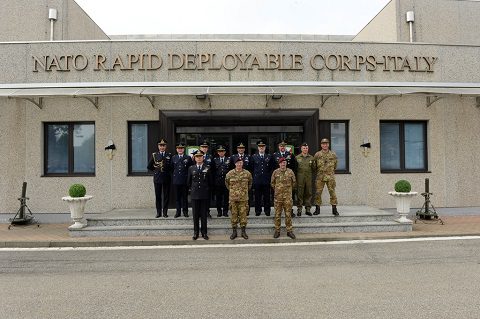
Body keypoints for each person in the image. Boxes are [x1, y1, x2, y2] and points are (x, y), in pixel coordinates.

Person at [187, 150, 212, 240]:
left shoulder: (207, 167)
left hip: (204, 194)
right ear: (195, 158)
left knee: (204, 215)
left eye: (200, 156)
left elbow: (210, 181)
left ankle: (204, 232)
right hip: (195, 194)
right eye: (197, 157)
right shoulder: (191, 168)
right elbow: (188, 182)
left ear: (203, 158)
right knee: (195, 215)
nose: (199, 158)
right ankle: (196, 232)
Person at [225, 157, 252, 240]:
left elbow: (250, 184)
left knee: (243, 215)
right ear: (235, 164)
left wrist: (243, 192)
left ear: (242, 163)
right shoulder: (230, 174)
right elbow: (227, 184)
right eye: (237, 163)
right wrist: (234, 192)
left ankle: (243, 231)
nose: (239, 164)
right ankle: (234, 232)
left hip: (243, 199)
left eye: (240, 163)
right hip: (233, 199)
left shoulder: (247, 173)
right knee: (234, 215)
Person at [271, 157, 297, 239]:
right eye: (281, 163)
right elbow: (272, 183)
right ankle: (277, 231)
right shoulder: (275, 172)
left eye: (284, 162)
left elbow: (294, 183)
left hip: (287, 198)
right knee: (277, 214)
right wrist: (278, 190)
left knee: (288, 214)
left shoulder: (290, 172)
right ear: (279, 164)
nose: (283, 164)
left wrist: (288, 191)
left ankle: (289, 231)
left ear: (286, 163)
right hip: (278, 198)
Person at [313, 138, 340, 216]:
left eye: (326, 143)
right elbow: (314, 166)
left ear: (328, 145)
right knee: (318, 193)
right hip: (320, 177)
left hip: (330, 176)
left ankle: (334, 209)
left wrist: (329, 172)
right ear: (321, 145)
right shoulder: (317, 154)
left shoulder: (333, 154)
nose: (325, 145)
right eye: (323, 144)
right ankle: (317, 209)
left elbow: (335, 166)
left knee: (332, 193)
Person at [147, 139, 172, 218]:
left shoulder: (169, 155)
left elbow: (172, 167)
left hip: (166, 178)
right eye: (160, 146)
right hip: (157, 178)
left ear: (166, 146)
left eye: (163, 145)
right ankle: (158, 212)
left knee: (166, 196)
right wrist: (156, 170)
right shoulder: (154, 155)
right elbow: (149, 166)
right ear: (158, 146)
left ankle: (165, 212)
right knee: (158, 196)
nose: (162, 147)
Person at [273, 140, 297, 218]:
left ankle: (290, 211)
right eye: (281, 146)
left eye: (283, 146)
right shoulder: (275, 155)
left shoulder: (290, 155)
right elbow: (272, 167)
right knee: (278, 198)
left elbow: (294, 166)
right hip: (278, 181)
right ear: (279, 147)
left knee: (290, 197)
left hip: (288, 181)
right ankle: (277, 212)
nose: (282, 147)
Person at [251, 140, 274, 216]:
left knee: (267, 197)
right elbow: (251, 169)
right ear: (258, 148)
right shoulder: (254, 157)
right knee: (257, 197)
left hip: (266, 180)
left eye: (263, 146)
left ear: (265, 147)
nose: (261, 148)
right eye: (260, 147)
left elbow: (271, 169)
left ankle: (267, 211)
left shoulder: (269, 156)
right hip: (257, 181)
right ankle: (258, 211)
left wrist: (270, 178)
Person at [172, 142, 193, 218]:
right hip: (176, 180)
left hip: (184, 180)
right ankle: (178, 212)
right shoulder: (174, 157)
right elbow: (172, 168)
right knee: (177, 198)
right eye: (178, 148)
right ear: (176, 149)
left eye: (181, 148)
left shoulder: (188, 158)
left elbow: (191, 168)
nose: (180, 150)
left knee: (185, 197)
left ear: (183, 149)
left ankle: (185, 211)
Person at [295, 142, 315, 216]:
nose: (305, 149)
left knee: (308, 193)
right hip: (300, 179)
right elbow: (295, 169)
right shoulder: (297, 158)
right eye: (304, 148)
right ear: (301, 149)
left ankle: (308, 209)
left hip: (308, 179)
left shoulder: (311, 158)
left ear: (308, 149)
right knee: (299, 194)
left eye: (306, 148)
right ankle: (299, 209)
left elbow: (313, 168)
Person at [212, 145, 230, 217]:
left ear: (225, 152)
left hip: (226, 182)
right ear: (218, 153)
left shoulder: (229, 159)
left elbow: (231, 169)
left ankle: (225, 212)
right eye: (220, 151)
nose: (221, 153)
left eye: (222, 151)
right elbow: (213, 171)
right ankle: (219, 211)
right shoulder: (215, 160)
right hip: (218, 182)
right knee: (218, 198)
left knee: (226, 198)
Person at [199, 140, 213, 218]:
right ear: (200, 148)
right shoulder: (196, 156)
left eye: (205, 147)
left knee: (207, 197)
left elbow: (213, 169)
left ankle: (207, 211)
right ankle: (200, 212)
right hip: (198, 180)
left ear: (207, 148)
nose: (204, 148)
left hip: (207, 181)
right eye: (203, 147)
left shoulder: (210, 157)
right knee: (199, 197)